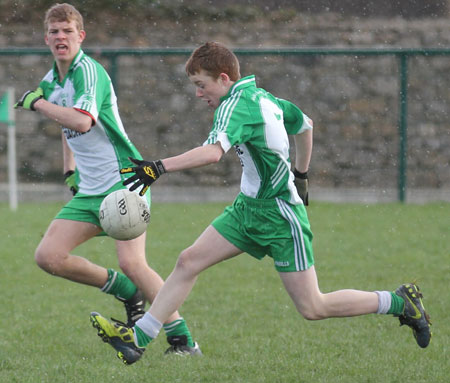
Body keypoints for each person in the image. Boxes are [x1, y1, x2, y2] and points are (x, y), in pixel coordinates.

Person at [89, 42, 432, 365]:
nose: (198, 93)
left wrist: (158, 167)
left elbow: (212, 153)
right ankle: (139, 339)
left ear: (223, 79)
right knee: (188, 261)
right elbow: (305, 124)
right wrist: (301, 172)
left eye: (201, 84)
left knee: (314, 307)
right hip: (247, 209)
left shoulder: (237, 106)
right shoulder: (263, 97)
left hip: (281, 216)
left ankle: (401, 302)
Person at [14, 3, 201, 360]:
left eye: (67, 31)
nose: (60, 37)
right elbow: (66, 127)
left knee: (134, 261)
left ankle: (183, 341)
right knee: (48, 256)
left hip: (125, 182)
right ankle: (126, 291)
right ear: (46, 38)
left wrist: (37, 105)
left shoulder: (90, 72)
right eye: (54, 32)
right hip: (90, 190)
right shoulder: (51, 82)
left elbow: (82, 121)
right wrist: (70, 171)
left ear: (80, 36)